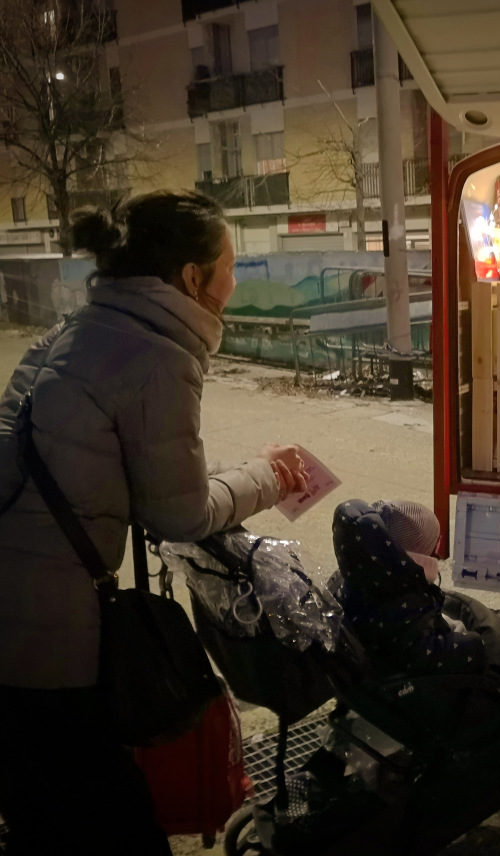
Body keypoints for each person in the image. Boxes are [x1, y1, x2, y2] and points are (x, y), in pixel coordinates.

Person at [0, 190, 310, 855]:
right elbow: (178, 512)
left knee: (39, 807)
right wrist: (270, 475)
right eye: (231, 264)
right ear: (193, 278)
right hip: (43, 633)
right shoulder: (158, 355)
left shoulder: (79, 328)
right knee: (109, 820)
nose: (235, 279)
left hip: (11, 602)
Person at [330, 498, 500, 677]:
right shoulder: (405, 604)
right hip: (411, 678)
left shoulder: (355, 573)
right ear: (418, 559)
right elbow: (426, 653)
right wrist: (476, 645)